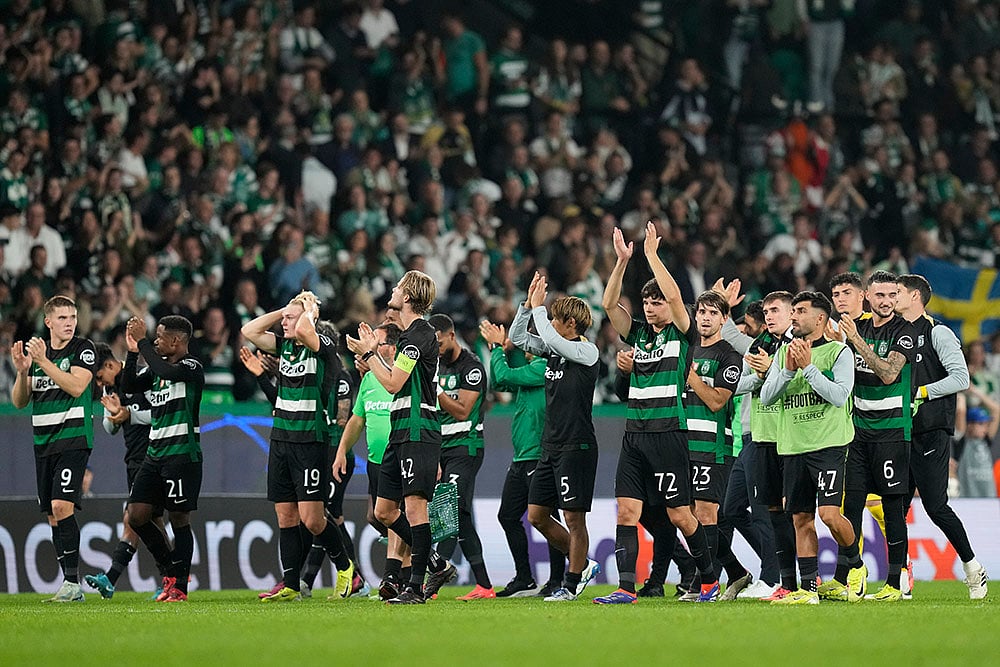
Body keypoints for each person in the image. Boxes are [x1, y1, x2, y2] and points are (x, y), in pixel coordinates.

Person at [592, 225, 719, 605]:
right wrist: (622, 261)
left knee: (680, 514)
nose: (650, 307)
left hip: (668, 431)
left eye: (657, 302)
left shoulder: (682, 334)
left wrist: (651, 256)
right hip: (635, 433)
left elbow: (679, 296)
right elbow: (609, 305)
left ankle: (709, 580)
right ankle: (626, 589)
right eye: (647, 302)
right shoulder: (639, 337)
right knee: (627, 509)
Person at [346, 271, 455, 604]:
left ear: (407, 297)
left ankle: (415, 588)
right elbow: (394, 379)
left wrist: (369, 356)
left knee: (415, 509)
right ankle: (436, 564)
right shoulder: (410, 335)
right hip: (401, 430)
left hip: (418, 429)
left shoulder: (420, 335)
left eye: (396, 287)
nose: (392, 290)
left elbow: (393, 383)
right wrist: (372, 357)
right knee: (383, 511)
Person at [240, 292, 356, 602]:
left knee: (313, 519)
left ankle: (345, 568)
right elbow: (249, 331)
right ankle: (291, 583)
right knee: (286, 517)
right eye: (284, 320)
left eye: (290, 319)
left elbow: (306, 330)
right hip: (281, 439)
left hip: (310, 440)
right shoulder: (285, 347)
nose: (284, 324)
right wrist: (284, 311)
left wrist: (308, 311)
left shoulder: (323, 348)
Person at [759, 292, 859, 605]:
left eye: (801, 311)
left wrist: (809, 368)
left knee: (829, 515)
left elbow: (840, 395)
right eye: (795, 311)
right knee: (801, 519)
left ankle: (855, 564)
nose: (795, 316)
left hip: (828, 444)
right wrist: (789, 370)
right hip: (793, 446)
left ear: (819, 319)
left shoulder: (838, 352)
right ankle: (809, 591)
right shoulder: (783, 354)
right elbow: (766, 397)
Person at [509, 271, 602, 602]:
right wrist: (526, 306)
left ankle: (572, 582)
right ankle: (585, 564)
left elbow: (548, 335)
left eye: (555, 319)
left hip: (577, 447)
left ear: (571, 325)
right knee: (536, 515)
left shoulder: (587, 353)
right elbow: (518, 338)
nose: (550, 323)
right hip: (550, 447)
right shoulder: (553, 352)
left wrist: (539, 309)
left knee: (574, 519)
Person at [895, 274, 988, 599]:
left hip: (930, 430)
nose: (893, 297)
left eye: (899, 293)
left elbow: (961, 377)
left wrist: (922, 390)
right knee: (894, 506)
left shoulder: (937, 332)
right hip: (897, 431)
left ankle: (973, 567)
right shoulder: (893, 332)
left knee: (935, 506)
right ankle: (899, 578)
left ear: (916, 297)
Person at [823, 271, 913, 602]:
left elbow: (889, 374)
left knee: (892, 509)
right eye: (880, 296)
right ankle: (847, 576)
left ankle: (895, 582)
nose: (886, 301)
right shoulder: (848, 330)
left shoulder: (905, 331)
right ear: (869, 298)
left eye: (892, 295)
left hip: (891, 432)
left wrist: (855, 340)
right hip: (857, 433)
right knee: (852, 507)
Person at [10, 295, 96, 603]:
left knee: (62, 507)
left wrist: (44, 362)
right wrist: (23, 371)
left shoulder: (82, 349)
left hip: (73, 439)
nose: (70, 323)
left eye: (72, 317)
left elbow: (76, 387)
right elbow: (20, 402)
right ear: (48, 322)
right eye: (62, 318)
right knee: (53, 515)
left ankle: (73, 584)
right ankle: (68, 584)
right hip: (43, 443)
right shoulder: (37, 356)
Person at [480, 318, 566, 597]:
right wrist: (505, 349)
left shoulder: (543, 368)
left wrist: (495, 347)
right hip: (522, 457)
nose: (526, 343)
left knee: (547, 517)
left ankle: (557, 579)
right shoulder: (533, 368)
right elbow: (506, 380)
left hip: (539, 456)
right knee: (508, 516)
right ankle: (525, 577)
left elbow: (503, 377)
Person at [121, 315, 204, 603]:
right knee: (137, 514)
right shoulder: (156, 370)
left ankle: (179, 585)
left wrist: (143, 342)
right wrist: (133, 353)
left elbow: (167, 373)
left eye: (159, 336)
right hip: (154, 455)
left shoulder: (191, 367)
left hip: (182, 454)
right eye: (154, 336)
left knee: (179, 518)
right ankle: (171, 568)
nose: (156, 341)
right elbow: (129, 384)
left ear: (176, 341)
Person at [721, 287, 796, 601]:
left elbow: (785, 380)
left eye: (775, 310)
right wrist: (722, 305)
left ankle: (771, 576)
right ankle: (776, 562)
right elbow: (741, 374)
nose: (769, 317)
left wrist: (766, 375)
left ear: (792, 313)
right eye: (766, 312)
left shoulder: (795, 346)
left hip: (773, 435)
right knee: (731, 510)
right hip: (751, 435)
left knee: (767, 509)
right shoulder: (763, 344)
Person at [83, 343, 169, 599]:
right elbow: (110, 429)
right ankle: (169, 578)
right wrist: (113, 415)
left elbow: (161, 414)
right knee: (151, 520)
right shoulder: (112, 388)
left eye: (99, 377)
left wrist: (127, 413)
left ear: (110, 365)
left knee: (134, 517)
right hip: (133, 458)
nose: (100, 384)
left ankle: (116, 577)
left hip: (152, 457)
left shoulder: (144, 377)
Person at [681, 290, 751, 600]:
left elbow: (717, 401)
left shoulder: (729, 355)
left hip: (714, 446)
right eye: (702, 313)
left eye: (713, 313)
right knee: (691, 516)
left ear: (724, 318)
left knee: (707, 515)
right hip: (684, 444)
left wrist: (693, 378)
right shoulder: (687, 349)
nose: (706, 318)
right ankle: (736, 573)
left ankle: (703, 583)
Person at [333, 322, 412, 599]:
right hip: (376, 461)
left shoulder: (402, 379)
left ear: (391, 348)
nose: (370, 348)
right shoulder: (368, 380)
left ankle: (398, 578)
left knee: (392, 517)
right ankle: (416, 566)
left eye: (376, 343)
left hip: (401, 457)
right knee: (377, 517)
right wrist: (342, 450)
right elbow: (357, 419)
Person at [429, 313, 494, 600]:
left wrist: (438, 391)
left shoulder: (472, 368)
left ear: (451, 335)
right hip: (441, 448)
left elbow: (463, 410)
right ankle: (484, 585)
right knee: (462, 516)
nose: (437, 348)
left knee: (450, 507)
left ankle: (431, 578)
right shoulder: (436, 364)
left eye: (439, 342)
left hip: (466, 447)